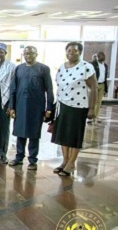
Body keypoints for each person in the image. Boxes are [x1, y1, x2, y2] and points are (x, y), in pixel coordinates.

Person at [52, 42, 97, 176]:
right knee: (63, 134)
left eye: (75, 51)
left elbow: (93, 88)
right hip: (62, 105)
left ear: (80, 52)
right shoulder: (62, 67)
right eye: (69, 50)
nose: (72, 52)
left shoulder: (86, 67)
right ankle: (65, 161)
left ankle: (72, 163)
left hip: (78, 106)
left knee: (74, 136)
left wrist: (91, 108)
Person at [8, 46, 54, 171]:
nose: (28, 55)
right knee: (20, 133)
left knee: (34, 134)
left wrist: (49, 108)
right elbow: (13, 89)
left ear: (36, 54)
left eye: (31, 53)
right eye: (26, 53)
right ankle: (19, 157)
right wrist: (12, 107)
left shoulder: (43, 69)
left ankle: (32, 160)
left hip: (36, 107)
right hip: (20, 106)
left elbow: (49, 90)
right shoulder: (19, 69)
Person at [89, 52, 108, 124]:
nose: (102, 57)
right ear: (97, 57)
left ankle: (96, 116)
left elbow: (105, 76)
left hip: (102, 85)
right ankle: (90, 116)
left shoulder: (105, 66)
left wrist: (106, 89)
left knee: (99, 102)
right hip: (94, 85)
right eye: (100, 56)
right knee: (93, 101)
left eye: (103, 56)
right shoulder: (92, 64)